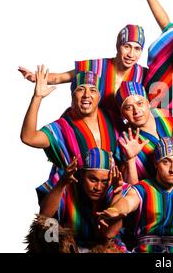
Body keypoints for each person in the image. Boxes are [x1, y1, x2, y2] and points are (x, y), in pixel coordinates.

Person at [20, 67, 120, 199]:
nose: (86, 95)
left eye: (93, 90)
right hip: (73, 198)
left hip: (109, 196)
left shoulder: (112, 119)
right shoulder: (62, 128)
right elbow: (29, 137)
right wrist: (37, 97)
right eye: (80, 89)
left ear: (99, 96)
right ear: (72, 97)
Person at [97, 137, 173, 253]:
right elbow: (128, 202)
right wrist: (115, 210)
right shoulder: (144, 188)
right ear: (156, 163)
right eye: (166, 161)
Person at [18, 24, 146, 113]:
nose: (131, 54)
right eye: (127, 46)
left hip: (121, 130)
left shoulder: (142, 74)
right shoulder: (98, 66)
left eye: (137, 49)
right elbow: (61, 77)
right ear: (118, 46)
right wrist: (36, 78)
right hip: (90, 122)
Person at [39, 147, 130, 252]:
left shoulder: (115, 186)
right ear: (82, 175)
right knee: (46, 233)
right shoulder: (69, 182)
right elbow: (44, 215)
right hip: (70, 245)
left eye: (104, 181)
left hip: (103, 247)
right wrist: (62, 183)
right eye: (93, 179)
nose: (98, 187)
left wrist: (117, 193)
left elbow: (111, 233)